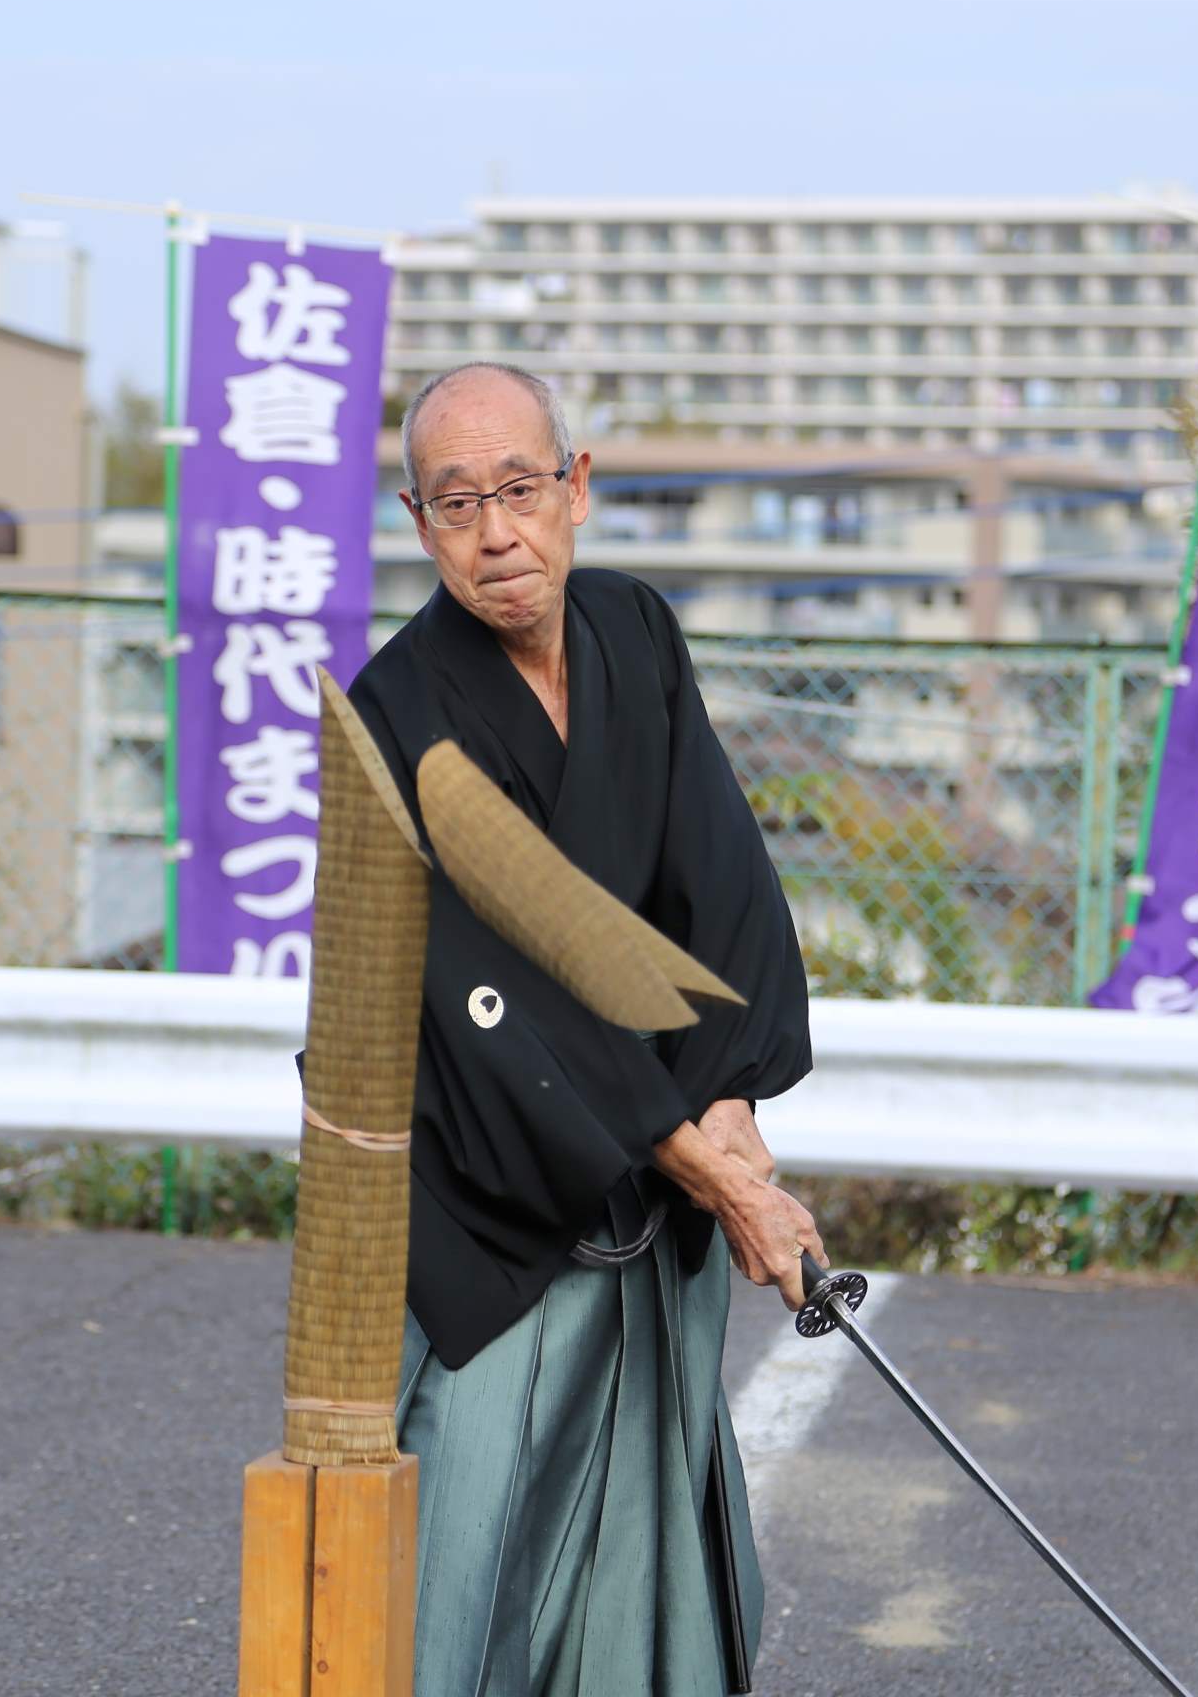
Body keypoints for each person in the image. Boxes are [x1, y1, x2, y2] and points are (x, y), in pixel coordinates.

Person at [344, 361, 826, 1695]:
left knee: (651, 1574)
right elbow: (500, 1001)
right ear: (417, 523)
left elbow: (719, 878)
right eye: (459, 505)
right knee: (476, 1574)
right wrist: (716, 1174)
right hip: (501, 1208)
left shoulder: (634, 630)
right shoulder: (398, 715)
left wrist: (730, 1100)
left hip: (660, 1185)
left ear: (578, 487)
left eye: (521, 489)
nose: (498, 534)